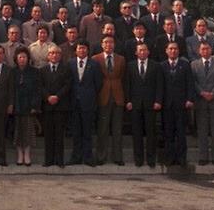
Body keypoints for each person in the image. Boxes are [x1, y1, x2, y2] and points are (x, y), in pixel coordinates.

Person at [124, 42, 163, 168]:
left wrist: (158, 101)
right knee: (137, 133)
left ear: (148, 52)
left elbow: (159, 85)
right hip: (135, 104)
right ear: (136, 52)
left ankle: (151, 159)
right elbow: (127, 85)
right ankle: (138, 159)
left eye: (144, 50)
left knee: (151, 133)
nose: (142, 52)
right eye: (140, 50)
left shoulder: (155, 66)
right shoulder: (130, 66)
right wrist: (128, 101)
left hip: (151, 104)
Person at [93, 35, 126, 165]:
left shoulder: (121, 59)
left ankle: (118, 157)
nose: (108, 45)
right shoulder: (95, 59)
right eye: (106, 42)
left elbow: (123, 77)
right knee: (103, 129)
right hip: (103, 95)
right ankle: (101, 157)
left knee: (117, 129)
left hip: (118, 96)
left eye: (111, 42)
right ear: (102, 45)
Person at [69, 40, 103, 166]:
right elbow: (68, 82)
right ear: (76, 50)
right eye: (79, 48)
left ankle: (88, 158)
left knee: (87, 132)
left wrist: (89, 95)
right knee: (76, 132)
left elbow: (98, 83)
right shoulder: (70, 63)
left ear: (87, 50)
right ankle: (76, 157)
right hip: (74, 103)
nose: (82, 50)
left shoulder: (94, 64)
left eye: (84, 48)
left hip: (88, 102)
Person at [160, 41, 194, 167]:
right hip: (167, 105)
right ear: (166, 51)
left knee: (181, 133)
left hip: (181, 104)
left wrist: (190, 99)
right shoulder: (162, 66)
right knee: (168, 133)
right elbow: (160, 86)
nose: (173, 51)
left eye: (175, 49)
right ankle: (169, 158)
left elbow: (190, 83)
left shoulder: (185, 65)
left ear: (178, 51)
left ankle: (181, 158)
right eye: (171, 49)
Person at [40, 44, 72, 168]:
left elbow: (67, 85)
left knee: (59, 134)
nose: (54, 55)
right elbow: (40, 86)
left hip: (61, 105)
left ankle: (59, 160)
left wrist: (57, 96)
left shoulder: (66, 69)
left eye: (57, 53)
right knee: (48, 134)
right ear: (48, 56)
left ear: (60, 55)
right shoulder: (42, 70)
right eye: (52, 53)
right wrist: (48, 97)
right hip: (47, 106)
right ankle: (48, 160)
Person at [191, 41, 214, 165]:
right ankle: (203, 157)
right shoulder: (194, 64)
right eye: (203, 49)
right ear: (199, 51)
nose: (205, 51)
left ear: (211, 50)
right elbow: (193, 81)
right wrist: (202, 92)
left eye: (207, 49)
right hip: (201, 101)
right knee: (202, 131)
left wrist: (213, 93)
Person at [12, 46, 39, 166]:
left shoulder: (34, 72)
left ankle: (27, 154)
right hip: (16, 105)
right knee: (18, 130)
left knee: (28, 131)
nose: (22, 59)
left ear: (28, 58)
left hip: (29, 105)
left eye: (24, 57)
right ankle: (19, 154)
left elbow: (37, 90)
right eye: (20, 57)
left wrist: (34, 105)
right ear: (16, 59)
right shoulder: (12, 72)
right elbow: (9, 90)